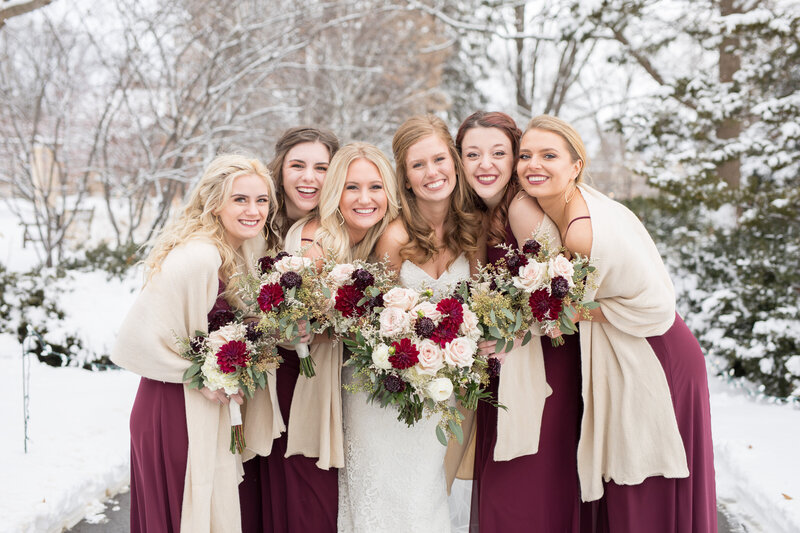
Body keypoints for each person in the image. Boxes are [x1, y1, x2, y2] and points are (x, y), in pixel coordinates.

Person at [512, 115, 717, 532]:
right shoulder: (556, 204)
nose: (534, 164)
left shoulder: (582, 232)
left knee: (644, 478)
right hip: (633, 342)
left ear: (576, 165)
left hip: (654, 353)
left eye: (549, 155)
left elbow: (652, 305)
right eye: (525, 155)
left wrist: (552, 312)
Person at [111, 154, 277, 533]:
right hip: (172, 409)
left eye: (262, 200)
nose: (253, 210)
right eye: (240, 199)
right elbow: (137, 339)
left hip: (195, 402)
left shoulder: (238, 251)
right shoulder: (199, 255)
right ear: (215, 201)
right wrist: (207, 376)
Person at [337, 115, 483, 533]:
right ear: (404, 177)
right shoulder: (395, 237)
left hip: (439, 392)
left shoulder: (471, 229)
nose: (431, 172)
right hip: (384, 392)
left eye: (439, 159)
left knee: (427, 496)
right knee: (385, 500)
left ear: (454, 162)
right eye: (418, 165)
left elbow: (478, 308)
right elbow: (369, 321)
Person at [456, 111, 584, 531]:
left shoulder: (521, 207)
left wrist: (513, 333)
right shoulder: (484, 212)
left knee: (526, 494)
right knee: (506, 493)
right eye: (472, 154)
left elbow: (561, 292)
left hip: (543, 368)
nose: (484, 164)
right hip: (507, 368)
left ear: (514, 158)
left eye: (498, 152)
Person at [237, 126, 342, 533]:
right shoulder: (257, 223)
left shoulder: (335, 229)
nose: (309, 177)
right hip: (260, 378)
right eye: (298, 165)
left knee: (307, 502)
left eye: (321, 167)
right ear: (280, 170)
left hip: (312, 379)